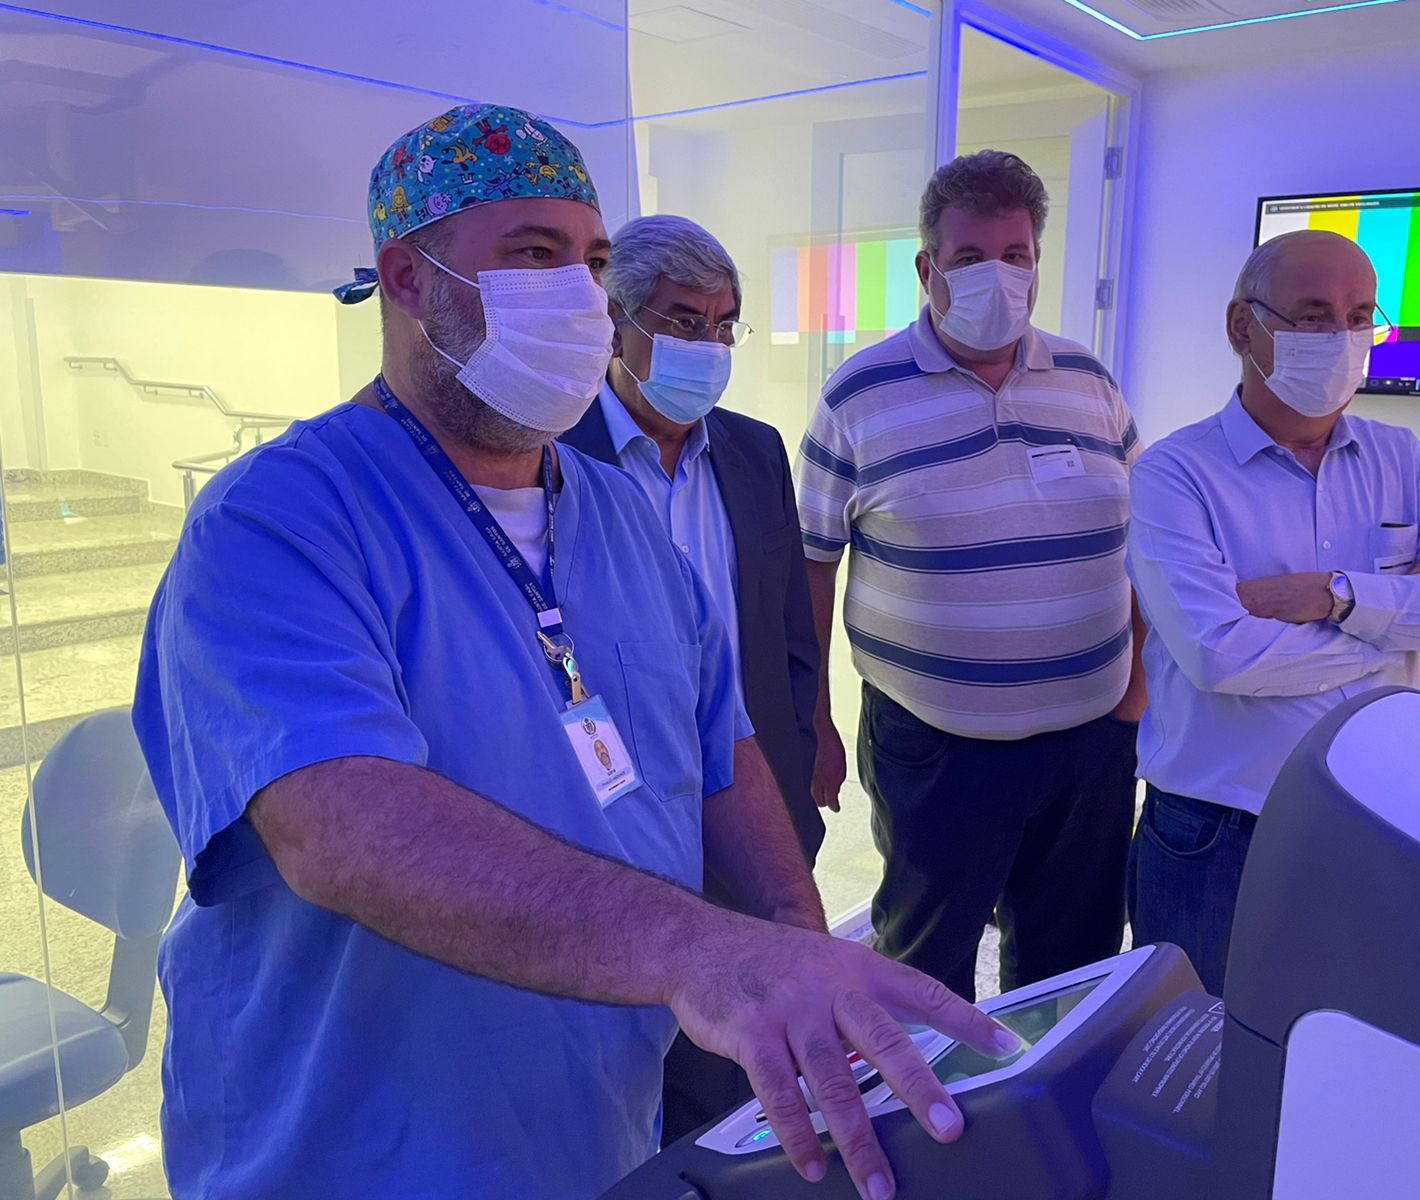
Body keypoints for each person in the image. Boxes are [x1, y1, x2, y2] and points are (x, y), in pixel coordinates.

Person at [134, 105, 1014, 1200]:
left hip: (594, 1127)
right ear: (407, 279)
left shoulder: (615, 513)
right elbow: (337, 824)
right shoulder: (281, 520)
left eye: (593, 263)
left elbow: (721, 749)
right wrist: (700, 951)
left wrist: (797, 945)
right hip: (356, 1146)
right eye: (533, 255)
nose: (580, 297)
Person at [1125, 229, 1420, 994]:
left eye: (1359, 316)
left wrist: (1339, 594)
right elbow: (1219, 656)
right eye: (1312, 316)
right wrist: (1398, 613)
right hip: (1219, 833)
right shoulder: (1176, 474)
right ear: (1243, 327)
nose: (1341, 338)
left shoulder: (1400, 458)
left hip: (1374, 813)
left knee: (1338, 1030)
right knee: (1196, 1043)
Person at [796, 150, 1147, 1003]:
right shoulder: (860, 394)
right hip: (938, 749)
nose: (998, 275)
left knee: (1074, 968)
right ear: (927, 270)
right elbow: (809, 563)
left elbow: (1147, 535)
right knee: (926, 969)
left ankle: (1045, 1090)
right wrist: (813, 719)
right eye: (970, 257)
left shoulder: (1089, 381)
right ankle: (922, 1095)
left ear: (1037, 262)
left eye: (1015, 255)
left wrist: (1136, 689)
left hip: (1092, 742)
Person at [561, 213, 824, 1141]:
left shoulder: (754, 450)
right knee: (638, 1045)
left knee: (747, 1049)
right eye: (682, 320)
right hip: (614, 800)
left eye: (722, 324)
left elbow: (788, 622)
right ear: (616, 321)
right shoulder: (553, 456)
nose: (707, 346)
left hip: (751, 792)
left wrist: (807, 742)